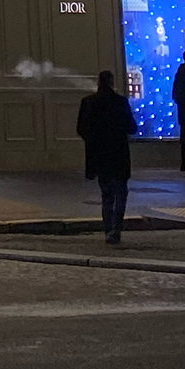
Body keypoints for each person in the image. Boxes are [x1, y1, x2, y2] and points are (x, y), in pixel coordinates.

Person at [78, 70, 139, 245]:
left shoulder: (88, 102)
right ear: (112, 82)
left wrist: (94, 141)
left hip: (99, 155)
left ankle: (108, 229)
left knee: (106, 195)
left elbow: (81, 129)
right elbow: (131, 128)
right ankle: (116, 229)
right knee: (120, 193)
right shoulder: (120, 102)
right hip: (118, 153)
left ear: (98, 82)